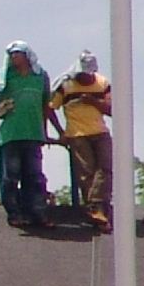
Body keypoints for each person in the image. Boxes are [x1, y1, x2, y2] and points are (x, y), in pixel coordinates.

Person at [0, 41, 51, 229]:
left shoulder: (40, 76)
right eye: (11, 54)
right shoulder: (3, 77)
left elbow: (45, 105)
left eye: (17, 53)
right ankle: (14, 213)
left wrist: (45, 131)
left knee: (34, 176)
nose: (14, 57)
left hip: (33, 133)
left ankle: (37, 212)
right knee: (11, 176)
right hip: (11, 134)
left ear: (26, 55)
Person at [48, 51, 113, 229]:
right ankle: (95, 208)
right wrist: (61, 131)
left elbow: (112, 109)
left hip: (99, 131)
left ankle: (95, 204)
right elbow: (50, 108)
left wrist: (93, 102)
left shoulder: (102, 83)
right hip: (77, 133)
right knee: (86, 170)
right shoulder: (66, 85)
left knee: (106, 167)